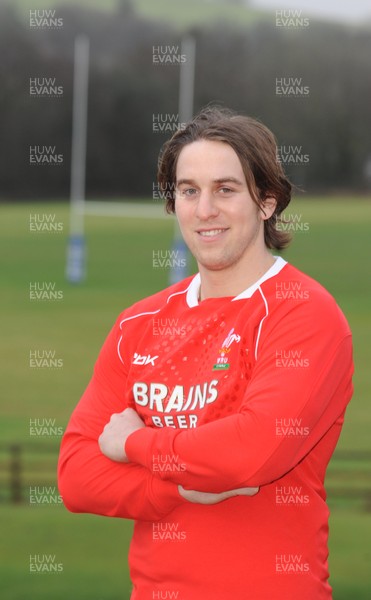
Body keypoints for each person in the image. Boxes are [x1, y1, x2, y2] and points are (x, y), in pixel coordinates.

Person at [58, 106, 353, 599]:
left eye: (226, 189)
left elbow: (250, 451)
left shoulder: (303, 314)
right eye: (189, 191)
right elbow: (76, 475)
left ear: (267, 201)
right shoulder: (139, 322)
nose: (204, 210)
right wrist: (172, 488)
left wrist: (135, 445)